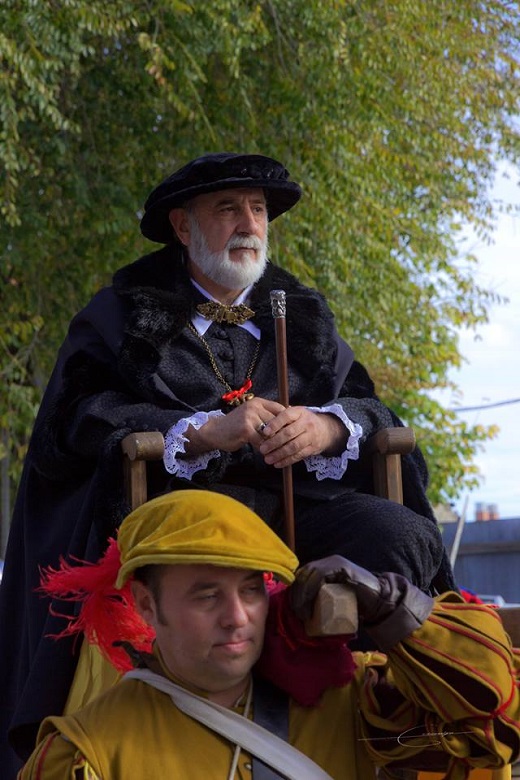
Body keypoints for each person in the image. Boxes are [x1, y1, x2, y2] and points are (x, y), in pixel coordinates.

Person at [0, 152, 456, 774]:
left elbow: (372, 408)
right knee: (213, 551)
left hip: (300, 509)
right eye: (228, 208)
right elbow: (76, 423)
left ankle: (385, 723)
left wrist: (325, 427)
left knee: (396, 534)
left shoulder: (303, 315)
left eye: (259, 210)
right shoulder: (123, 316)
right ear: (184, 227)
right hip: (183, 515)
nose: (249, 223)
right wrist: (204, 433)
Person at [17, 490, 520, 780]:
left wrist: (393, 607)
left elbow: (493, 723)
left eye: (251, 590)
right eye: (206, 595)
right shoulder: (88, 753)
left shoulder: (347, 701)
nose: (237, 617)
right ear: (147, 605)